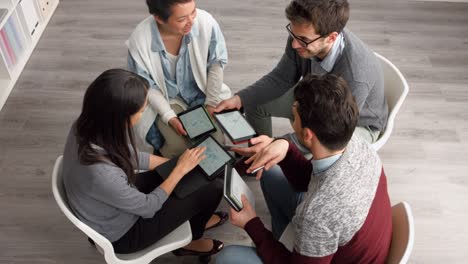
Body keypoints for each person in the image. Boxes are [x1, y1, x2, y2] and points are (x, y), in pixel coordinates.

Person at [216, 74, 392, 263]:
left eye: (294, 115)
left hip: (326, 253)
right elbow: (311, 181)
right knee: (271, 170)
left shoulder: (316, 215)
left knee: (227, 257)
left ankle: (281, 242)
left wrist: (251, 225)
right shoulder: (358, 144)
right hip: (350, 242)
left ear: (308, 134)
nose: (292, 119)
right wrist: (285, 148)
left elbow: (319, 210)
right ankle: (282, 238)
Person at [62, 69, 227, 258]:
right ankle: (192, 239)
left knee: (199, 173)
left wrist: (173, 164)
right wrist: (178, 171)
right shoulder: (101, 175)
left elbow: (126, 155)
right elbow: (148, 208)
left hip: (105, 204)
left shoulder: (86, 126)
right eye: (141, 110)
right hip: (124, 234)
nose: (143, 114)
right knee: (214, 188)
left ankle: (197, 216)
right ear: (120, 117)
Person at [216, 0, 388, 147]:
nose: (294, 45)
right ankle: (260, 152)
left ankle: (277, 158)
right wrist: (240, 99)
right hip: (315, 97)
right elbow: (281, 78)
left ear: (331, 38)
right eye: (293, 34)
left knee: (316, 149)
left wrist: (281, 144)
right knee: (255, 102)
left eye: (303, 40)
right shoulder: (302, 36)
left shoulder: (355, 75)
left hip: (350, 125)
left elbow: (331, 129)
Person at [127, 0, 231, 158]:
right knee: (177, 149)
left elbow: (216, 64)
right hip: (167, 100)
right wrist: (169, 117)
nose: (192, 21)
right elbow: (147, 87)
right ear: (159, 18)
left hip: (201, 94)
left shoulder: (206, 22)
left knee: (215, 144)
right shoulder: (140, 41)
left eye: (193, 12)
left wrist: (211, 103)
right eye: (182, 19)